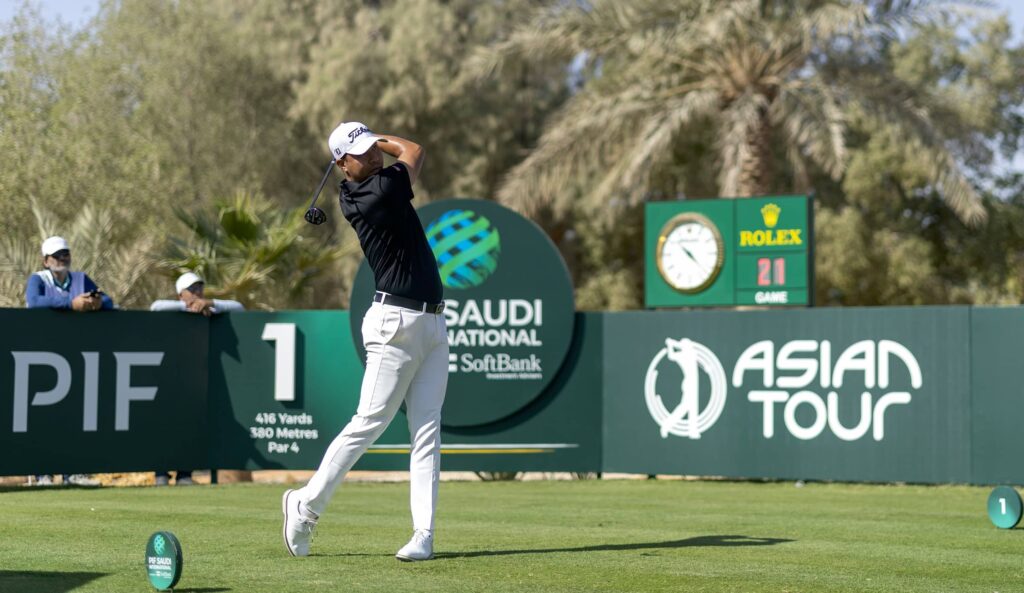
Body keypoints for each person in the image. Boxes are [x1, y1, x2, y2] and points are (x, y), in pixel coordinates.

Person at [282, 122, 448, 561]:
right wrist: (385, 136)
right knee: (369, 421)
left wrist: (368, 137)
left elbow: (403, 152)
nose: (374, 155)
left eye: (375, 149)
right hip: (394, 322)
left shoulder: (374, 180)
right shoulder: (371, 194)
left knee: (427, 431)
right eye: (361, 152)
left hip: (432, 323)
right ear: (341, 163)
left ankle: (423, 536)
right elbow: (413, 148)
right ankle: (306, 505)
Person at [27, 236, 112, 487]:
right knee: (42, 416)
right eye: (56, 255)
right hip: (41, 355)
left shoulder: (80, 279)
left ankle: (72, 473)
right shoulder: (38, 279)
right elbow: (35, 302)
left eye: (65, 254)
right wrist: (70, 304)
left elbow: (109, 300)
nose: (62, 259)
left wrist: (96, 303)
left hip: (74, 357)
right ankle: (43, 474)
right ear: (46, 261)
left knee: (75, 416)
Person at [151, 271, 244, 485]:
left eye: (200, 288)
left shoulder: (211, 309)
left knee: (189, 424)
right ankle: (161, 473)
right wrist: (188, 307)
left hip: (195, 377)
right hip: (165, 375)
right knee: (165, 424)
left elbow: (239, 307)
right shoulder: (172, 309)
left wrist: (209, 303)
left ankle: (185, 473)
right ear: (180, 294)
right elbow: (155, 306)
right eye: (192, 289)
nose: (197, 293)